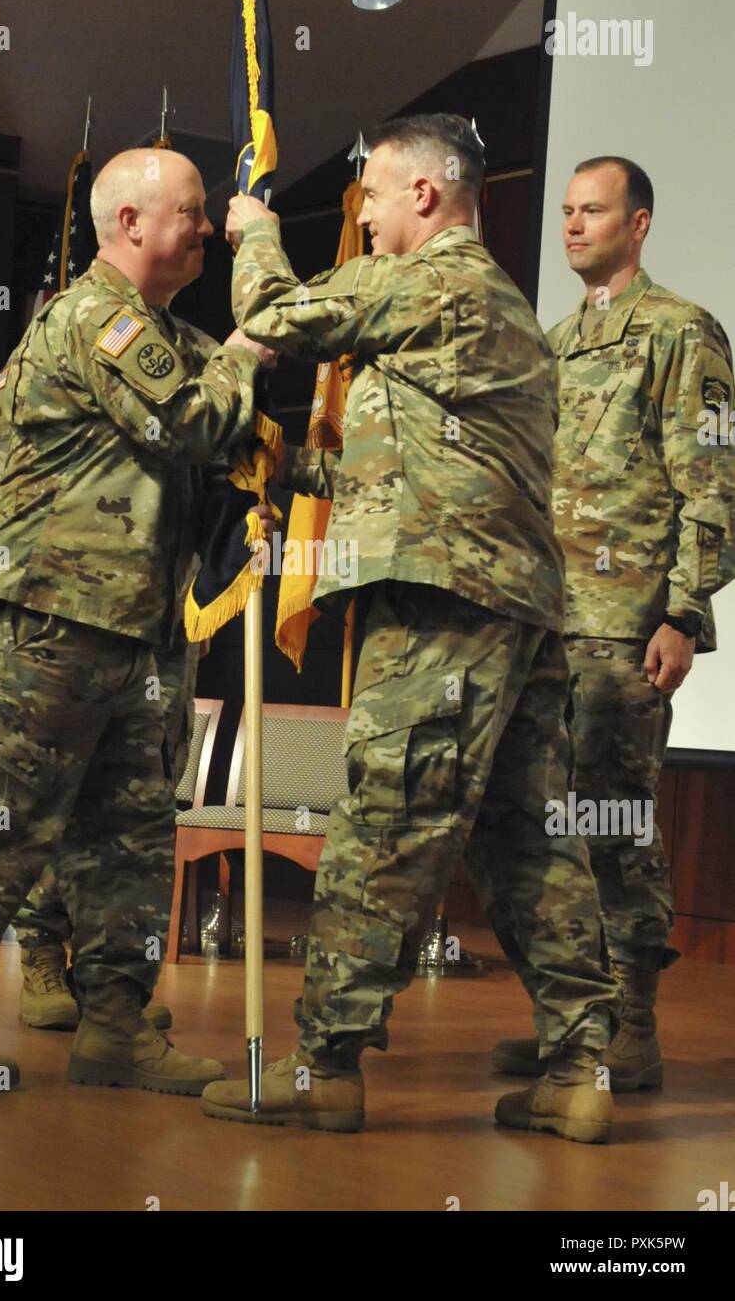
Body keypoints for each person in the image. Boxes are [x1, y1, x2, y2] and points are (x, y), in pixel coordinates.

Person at [201, 113, 622, 1142]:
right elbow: (401, 473)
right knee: (527, 843)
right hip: (510, 603)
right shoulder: (499, 309)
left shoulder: (435, 279)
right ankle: (579, 1071)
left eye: (373, 200)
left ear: (424, 197)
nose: (369, 219)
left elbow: (275, 310)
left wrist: (254, 225)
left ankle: (325, 1066)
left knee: (385, 817)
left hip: (441, 600)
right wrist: (289, 470)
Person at [0, 148, 274, 1095]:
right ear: (130, 223)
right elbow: (192, 423)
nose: (207, 229)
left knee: (128, 833)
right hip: (50, 620)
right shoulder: (98, 319)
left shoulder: (153, 328)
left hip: (129, 624)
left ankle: (118, 1024)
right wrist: (250, 350)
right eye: (190, 213)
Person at [487, 156, 735, 1090]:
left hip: (626, 628)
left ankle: (631, 1026)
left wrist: (683, 611)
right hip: (545, 626)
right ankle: (575, 1024)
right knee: (546, 824)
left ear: (638, 225)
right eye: (565, 212)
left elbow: (712, 483)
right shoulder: (553, 343)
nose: (573, 226)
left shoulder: (680, 333)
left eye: (593, 211)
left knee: (614, 818)